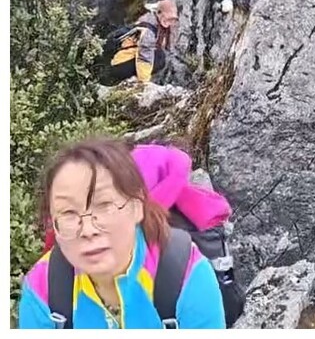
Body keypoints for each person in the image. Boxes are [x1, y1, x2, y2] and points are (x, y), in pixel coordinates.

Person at [18, 139, 225, 329]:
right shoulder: (42, 289)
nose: (88, 230)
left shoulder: (186, 275)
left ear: (137, 207)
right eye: (68, 213)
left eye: (104, 206)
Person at [102, 0, 178, 86]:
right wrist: (144, 83)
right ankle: (137, 80)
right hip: (118, 63)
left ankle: (133, 78)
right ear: (158, 13)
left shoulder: (152, 23)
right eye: (168, 18)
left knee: (159, 56)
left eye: (172, 19)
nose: (169, 22)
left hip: (121, 62)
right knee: (158, 57)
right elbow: (144, 56)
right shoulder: (148, 30)